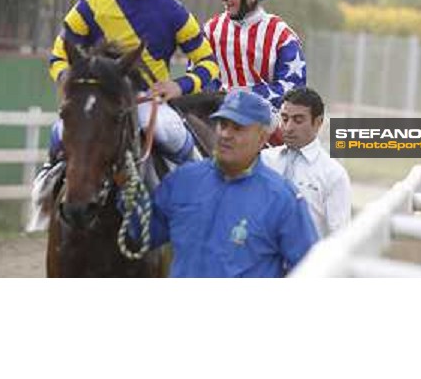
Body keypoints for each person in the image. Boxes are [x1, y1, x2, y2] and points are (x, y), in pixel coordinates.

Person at [32, 0, 219, 215]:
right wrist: (72, 83)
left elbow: (209, 64)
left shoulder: (171, 9)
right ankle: (45, 191)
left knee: (173, 134)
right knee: (59, 133)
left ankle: (203, 195)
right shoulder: (92, 3)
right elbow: (58, 56)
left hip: (148, 101)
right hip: (100, 100)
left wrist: (178, 85)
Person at [123, 89, 318, 277]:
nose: (226, 134)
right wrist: (124, 186)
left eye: (238, 128)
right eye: (223, 125)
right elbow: (139, 235)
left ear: (262, 138)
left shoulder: (283, 200)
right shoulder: (182, 181)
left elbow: (310, 273)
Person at [204, 0, 306, 114]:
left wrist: (243, 96)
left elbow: (294, 88)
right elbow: (200, 76)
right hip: (218, 115)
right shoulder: (211, 29)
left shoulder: (281, 34)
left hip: (266, 119)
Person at [261, 87, 352, 238]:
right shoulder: (264, 160)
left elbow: (339, 237)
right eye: (284, 119)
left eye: (298, 120)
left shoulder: (333, 174)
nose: (288, 127)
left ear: (318, 122)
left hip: (307, 259)